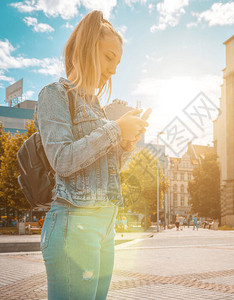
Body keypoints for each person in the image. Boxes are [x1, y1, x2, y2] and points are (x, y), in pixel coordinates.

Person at [37, 11, 148, 300]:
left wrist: (125, 144)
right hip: (74, 226)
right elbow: (62, 160)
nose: (113, 70)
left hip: (105, 226)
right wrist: (114, 129)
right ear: (87, 49)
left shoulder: (97, 108)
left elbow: (101, 173)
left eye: (118, 62)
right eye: (109, 57)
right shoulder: (55, 95)